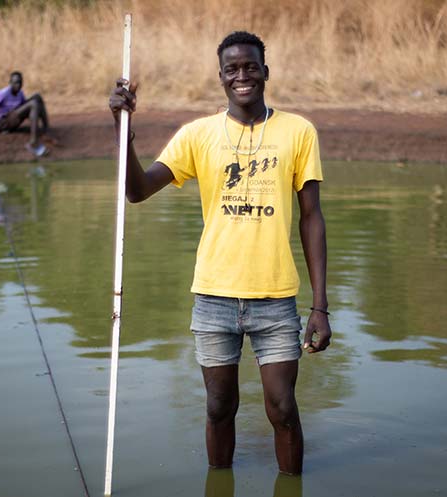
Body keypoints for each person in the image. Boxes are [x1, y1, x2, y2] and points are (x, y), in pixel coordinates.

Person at [108, 31, 331, 475]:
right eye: (232, 69)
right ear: (221, 77)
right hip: (214, 297)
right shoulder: (198, 135)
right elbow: (136, 191)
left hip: (275, 299)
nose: (242, 76)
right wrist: (122, 126)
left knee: (283, 408)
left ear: (265, 72)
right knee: (217, 406)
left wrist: (320, 306)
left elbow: (312, 217)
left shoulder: (298, 131)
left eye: (250, 66)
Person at [0, 71, 50, 156]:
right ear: (10, 83)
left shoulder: (20, 93)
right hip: (2, 124)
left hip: (13, 119)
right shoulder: (3, 94)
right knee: (33, 104)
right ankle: (33, 142)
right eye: (16, 82)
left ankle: (46, 129)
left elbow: (26, 108)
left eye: (20, 82)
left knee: (37, 97)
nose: (19, 85)